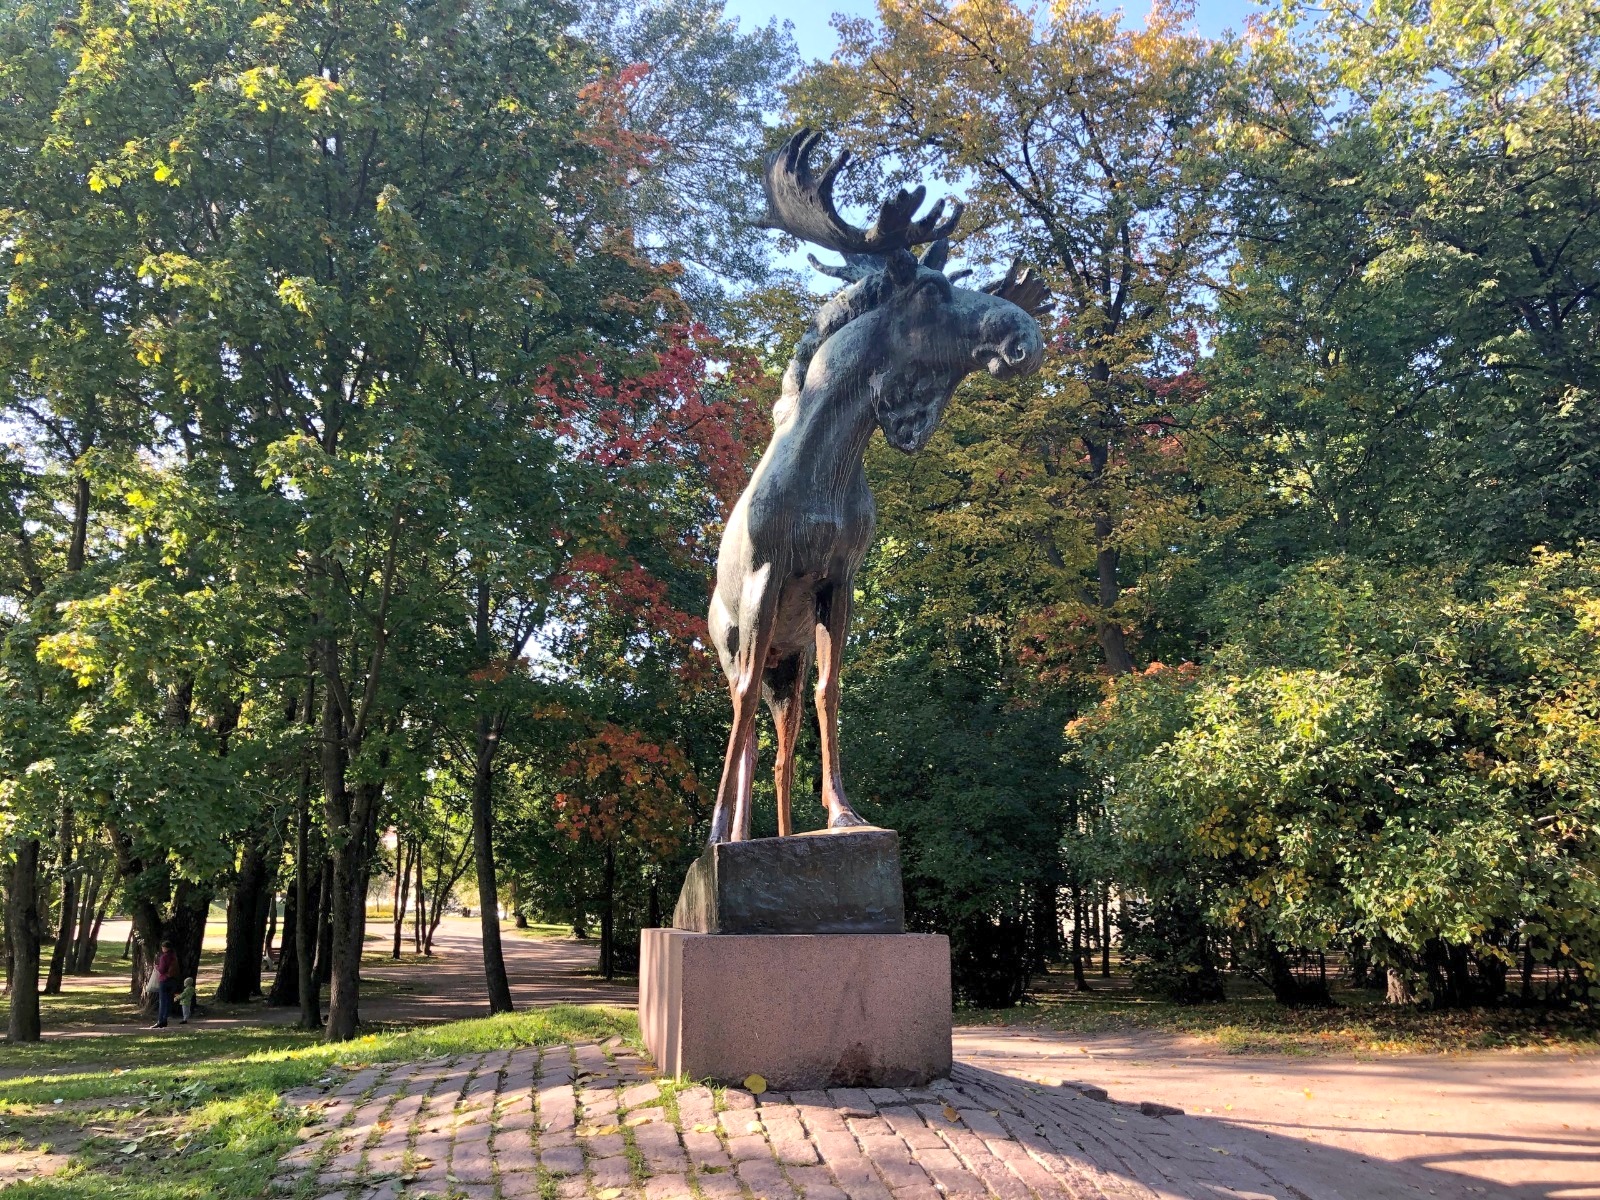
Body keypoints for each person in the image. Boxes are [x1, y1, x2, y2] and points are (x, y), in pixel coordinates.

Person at [150, 939, 179, 1029]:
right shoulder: (173, 956)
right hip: (173, 980)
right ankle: (165, 1018)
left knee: (162, 1001)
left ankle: (161, 1020)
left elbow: (162, 970)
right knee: (169, 1001)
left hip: (165, 979)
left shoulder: (164, 957)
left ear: (165, 948)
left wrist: (157, 967)